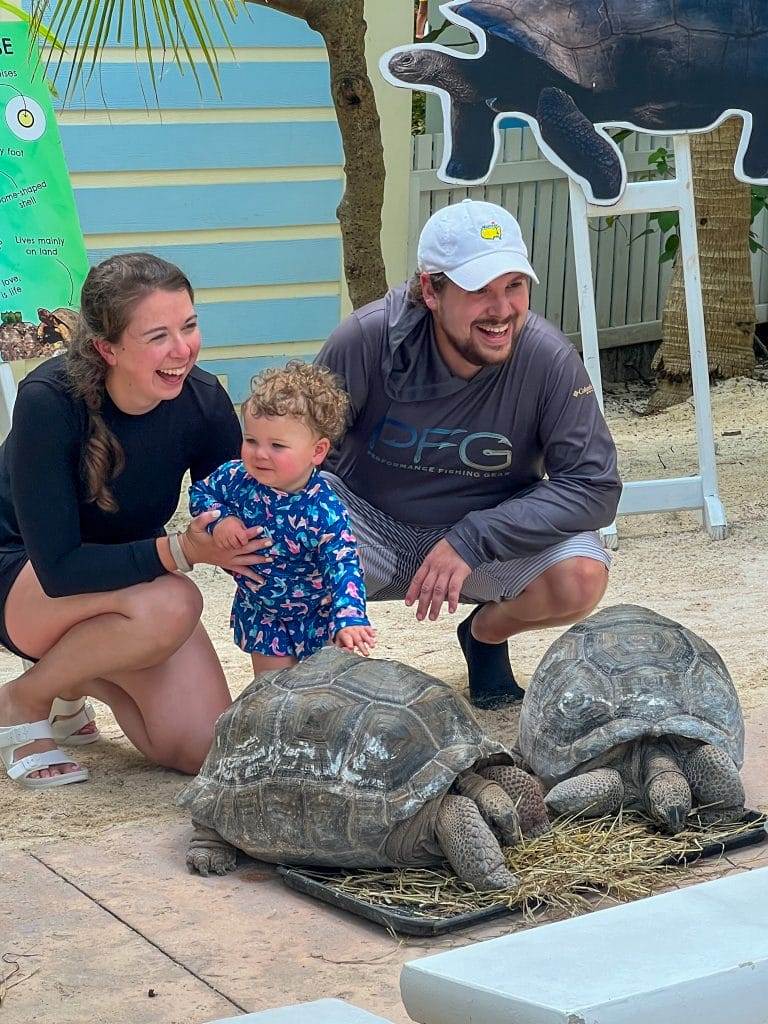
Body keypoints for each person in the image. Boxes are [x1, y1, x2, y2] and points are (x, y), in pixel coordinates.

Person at [315, 199, 622, 710]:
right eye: (479, 289)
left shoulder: (549, 359)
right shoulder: (366, 339)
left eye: (513, 286)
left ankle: (485, 635)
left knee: (581, 578)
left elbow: (594, 487)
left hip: (485, 536)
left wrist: (474, 537)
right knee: (286, 542)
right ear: (431, 289)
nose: (501, 309)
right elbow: (301, 452)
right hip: (371, 524)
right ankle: (321, 686)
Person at [0, 253, 273, 790]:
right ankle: (23, 698)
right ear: (107, 348)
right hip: (26, 577)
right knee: (176, 600)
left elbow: (236, 508)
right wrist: (182, 552)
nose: (183, 350)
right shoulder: (48, 402)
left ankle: (71, 682)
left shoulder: (201, 398)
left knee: (200, 748)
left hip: (128, 595)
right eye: (158, 336)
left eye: (189, 326)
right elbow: (59, 569)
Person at [189, 361, 376, 676]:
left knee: (322, 688)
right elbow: (201, 494)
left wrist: (349, 617)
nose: (260, 453)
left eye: (277, 445)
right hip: (263, 611)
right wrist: (220, 520)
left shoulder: (323, 509)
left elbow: (343, 565)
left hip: (318, 614)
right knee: (271, 690)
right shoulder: (234, 477)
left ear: (316, 451)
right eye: (251, 440)